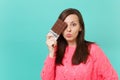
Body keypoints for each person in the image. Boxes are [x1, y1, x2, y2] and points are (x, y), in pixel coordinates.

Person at [41, 8, 118, 80]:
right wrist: (51, 53)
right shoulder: (55, 50)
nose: (68, 29)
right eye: (65, 25)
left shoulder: (93, 49)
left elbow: (112, 77)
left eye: (73, 24)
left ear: (80, 27)